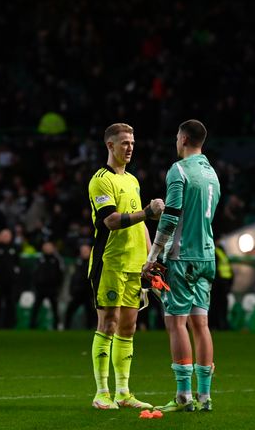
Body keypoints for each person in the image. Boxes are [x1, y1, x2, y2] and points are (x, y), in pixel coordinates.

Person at [142, 119, 220, 412]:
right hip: (207, 256)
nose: (176, 141)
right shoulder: (212, 173)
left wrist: (152, 258)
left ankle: (184, 396)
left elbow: (171, 216)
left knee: (176, 322)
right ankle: (205, 396)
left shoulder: (179, 170)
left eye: (177, 136)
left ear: (184, 139)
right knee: (201, 324)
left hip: (182, 257)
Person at [87, 123, 164, 410]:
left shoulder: (132, 180)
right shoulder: (100, 180)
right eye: (124, 143)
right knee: (107, 324)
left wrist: (150, 257)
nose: (130, 147)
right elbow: (110, 220)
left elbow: (141, 224)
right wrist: (146, 211)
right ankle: (101, 393)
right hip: (109, 263)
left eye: (132, 142)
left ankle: (123, 392)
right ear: (110, 146)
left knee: (129, 327)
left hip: (134, 265)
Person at [0, 228, 21, 329]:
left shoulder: (14, 249)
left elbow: (18, 265)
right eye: (3, 235)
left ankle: (10, 324)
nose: (5, 237)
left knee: (10, 303)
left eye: (7, 235)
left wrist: (16, 277)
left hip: (11, 282)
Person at [30, 241, 64, 329]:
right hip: (41, 288)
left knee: (55, 308)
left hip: (52, 288)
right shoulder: (39, 259)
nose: (47, 249)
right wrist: (36, 284)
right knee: (36, 307)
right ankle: (32, 325)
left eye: (49, 247)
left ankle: (56, 326)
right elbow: (35, 273)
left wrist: (57, 286)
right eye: (46, 247)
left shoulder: (56, 260)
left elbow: (60, 274)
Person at [64, 244, 95, 330]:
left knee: (91, 312)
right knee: (70, 311)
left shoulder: (93, 262)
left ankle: (91, 328)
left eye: (86, 251)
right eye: (83, 251)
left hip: (88, 293)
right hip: (78, 292)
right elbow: (73, 278)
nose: (84, 253)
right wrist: (72, 290)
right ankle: (66, 328)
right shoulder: (77, 262)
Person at [209, 241, 233, 331]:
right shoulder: (216, 251)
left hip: (223, 284)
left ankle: (221, 325)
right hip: (218, 284)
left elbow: (227, 268)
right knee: (216, 306)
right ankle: (216, 325)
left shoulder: (220, 251)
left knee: (221, 306)